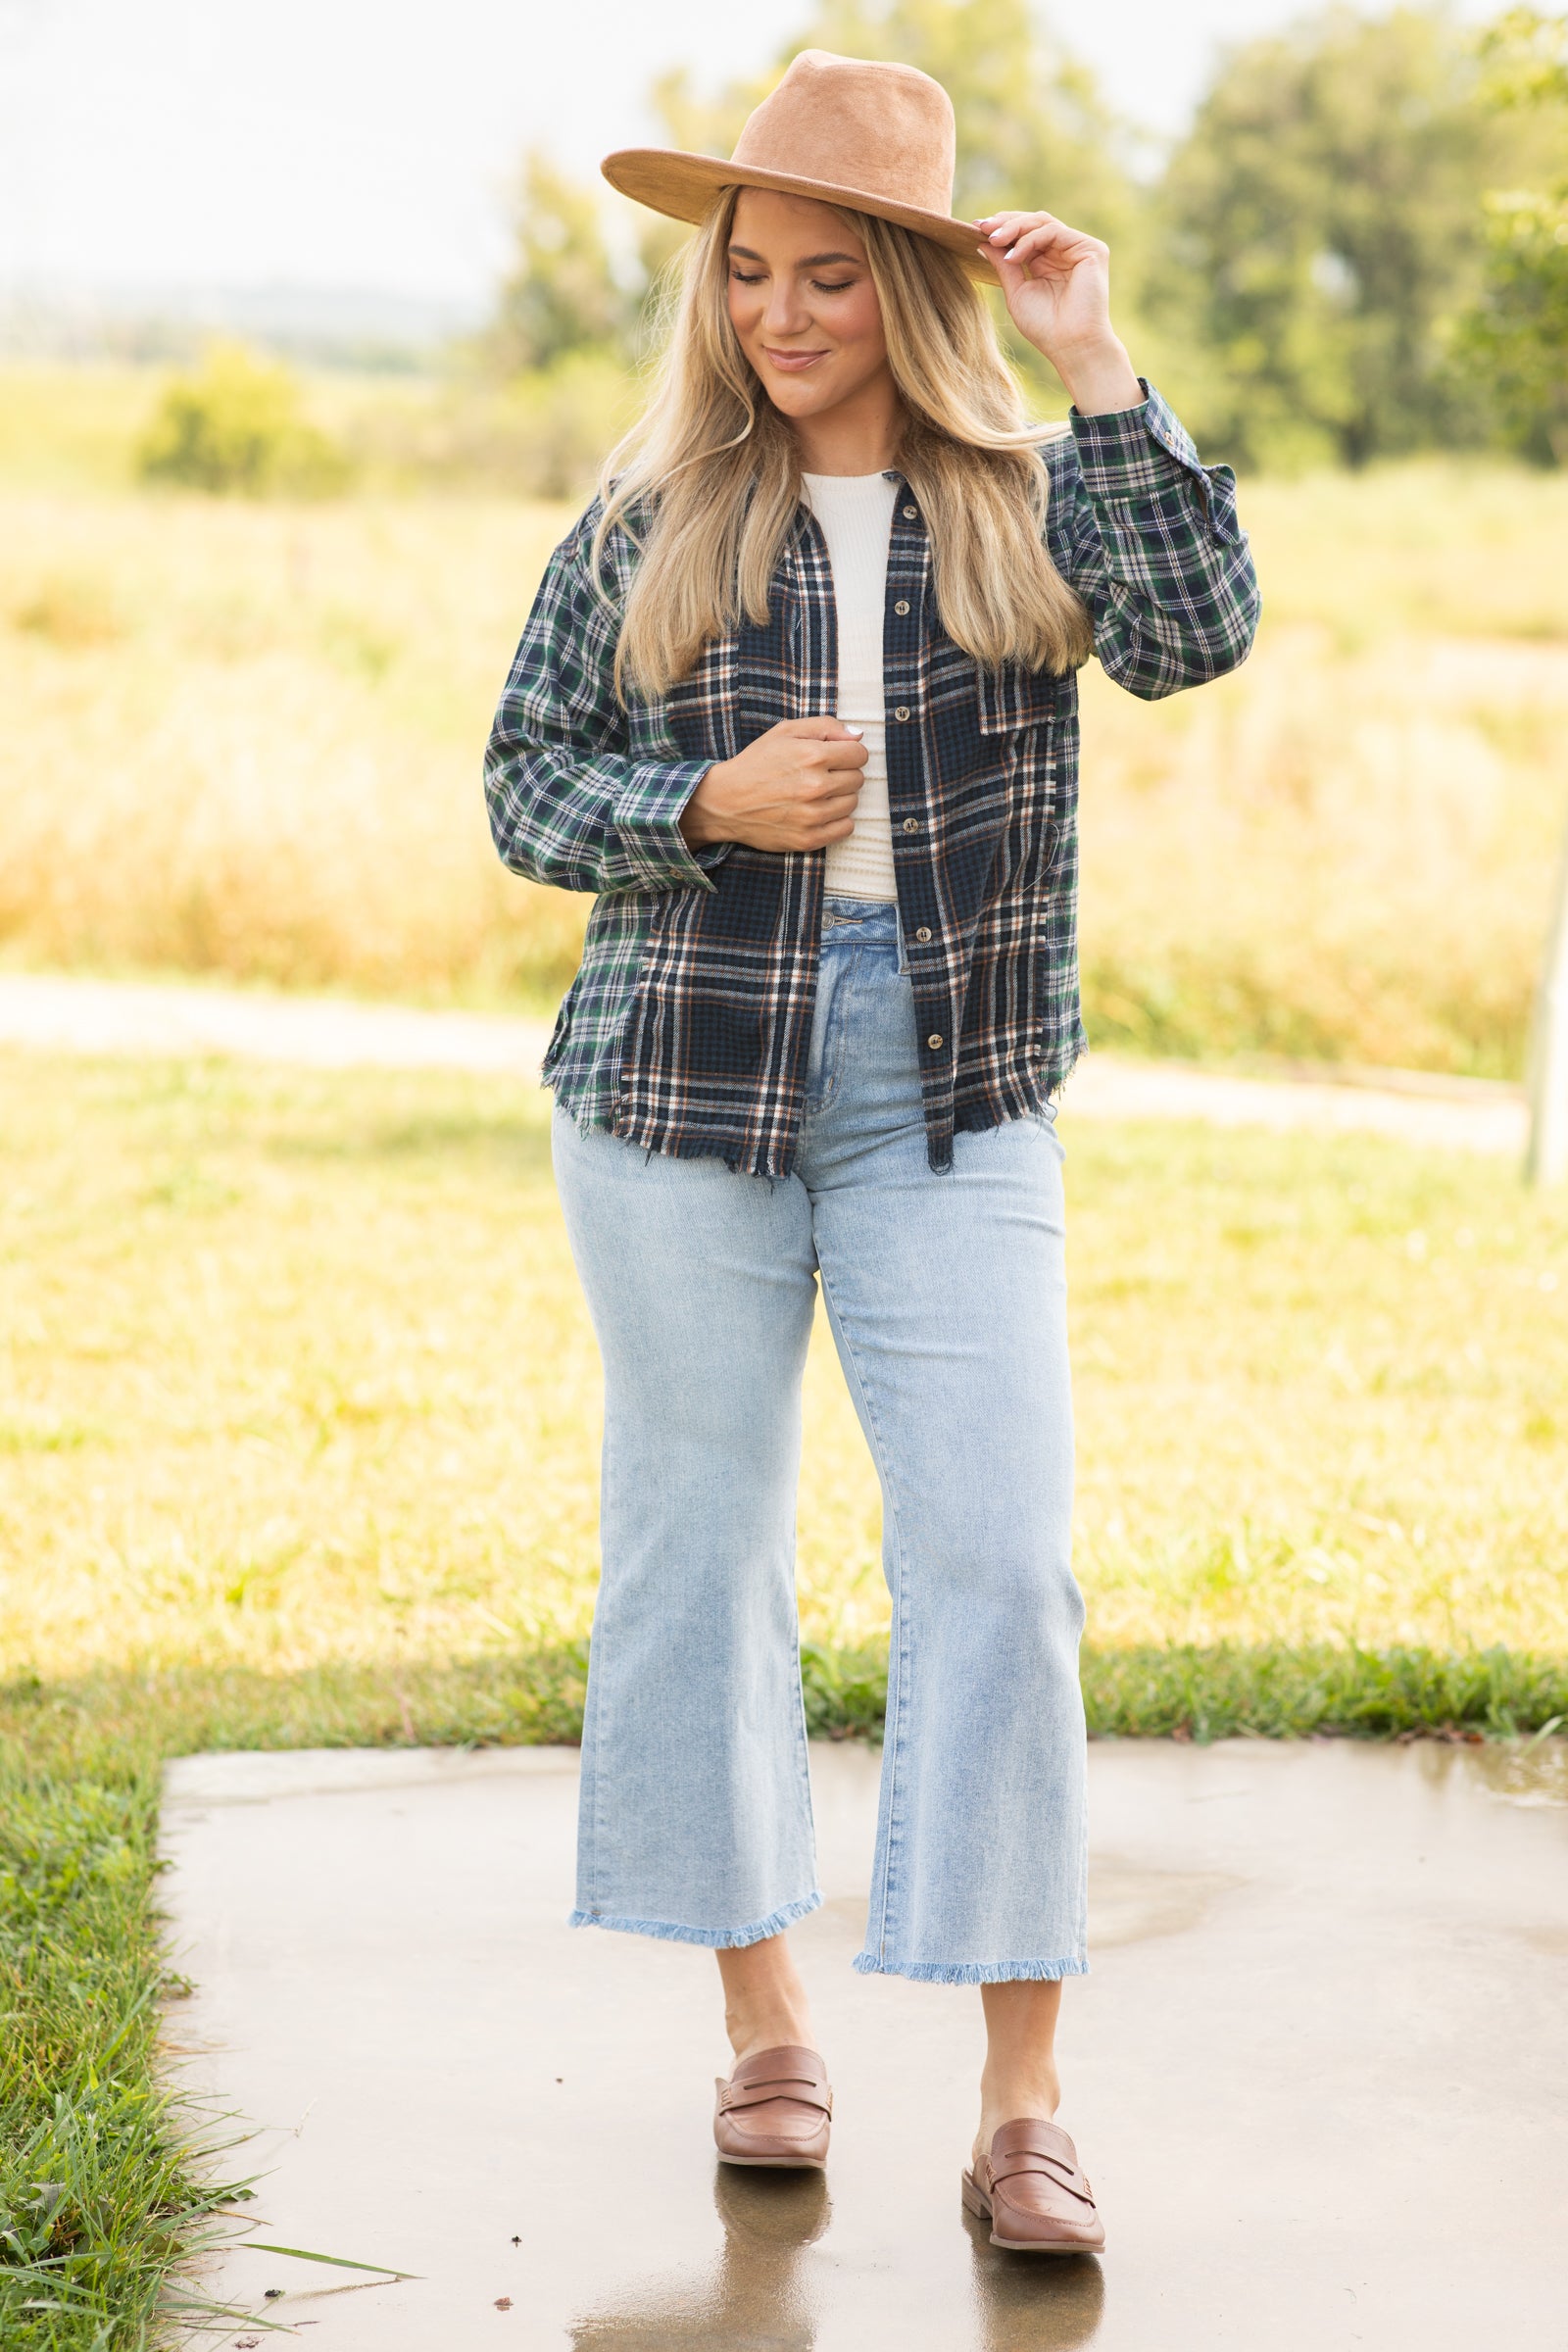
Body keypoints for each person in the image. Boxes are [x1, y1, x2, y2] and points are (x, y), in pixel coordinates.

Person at [486, 49, 1258, 2255]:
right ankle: (763, 2031)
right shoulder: (651, 515)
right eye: (750, 273)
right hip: (673, 1098)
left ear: (908, 282)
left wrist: (1091, 357)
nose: (779, 313)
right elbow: (522, 787)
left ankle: (1021, 2096)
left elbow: (1197, 635)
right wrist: (696, 808)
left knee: (1002, 1562)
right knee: (700, 1551)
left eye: (829, 274)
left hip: (952, 1091)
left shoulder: (1027, 493)